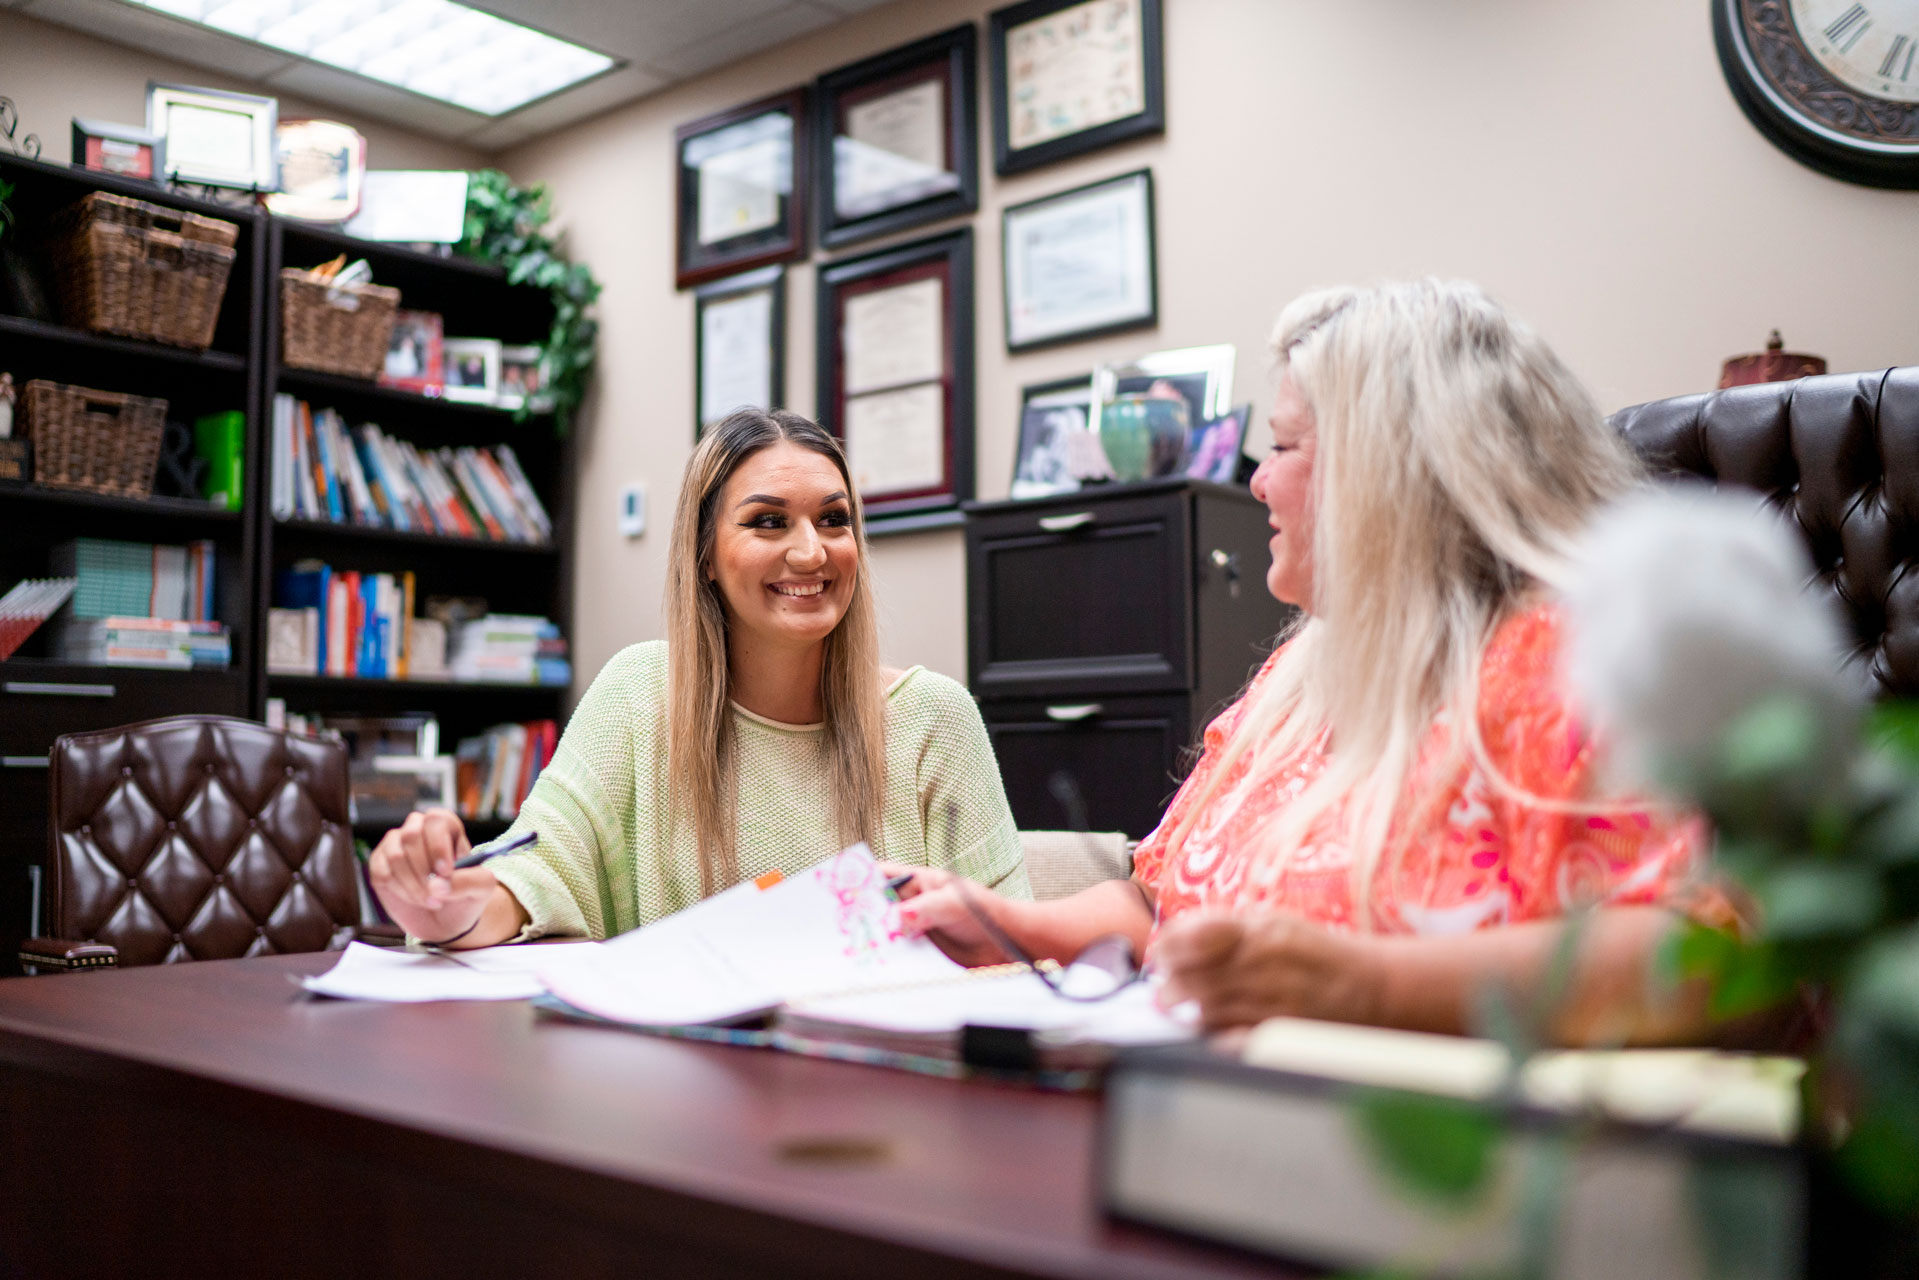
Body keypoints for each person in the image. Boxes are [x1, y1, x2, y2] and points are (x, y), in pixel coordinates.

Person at [888, 280, 1729, 1045]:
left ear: (1387, 472)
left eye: (1285, 447)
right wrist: (1007, 921)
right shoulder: (1301, 675)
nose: (1256, 483)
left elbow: (1701, 958)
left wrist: (1349, 983)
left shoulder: (1562, 658)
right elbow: (1161, 903)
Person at [371, 407, 1030, 948]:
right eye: (768, 522)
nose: (810, 551)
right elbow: (532, 873)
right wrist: (443, 904)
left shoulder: (936, 718)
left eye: (833, 519)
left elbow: (1015, 948)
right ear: (705, 556)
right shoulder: (636, 693)